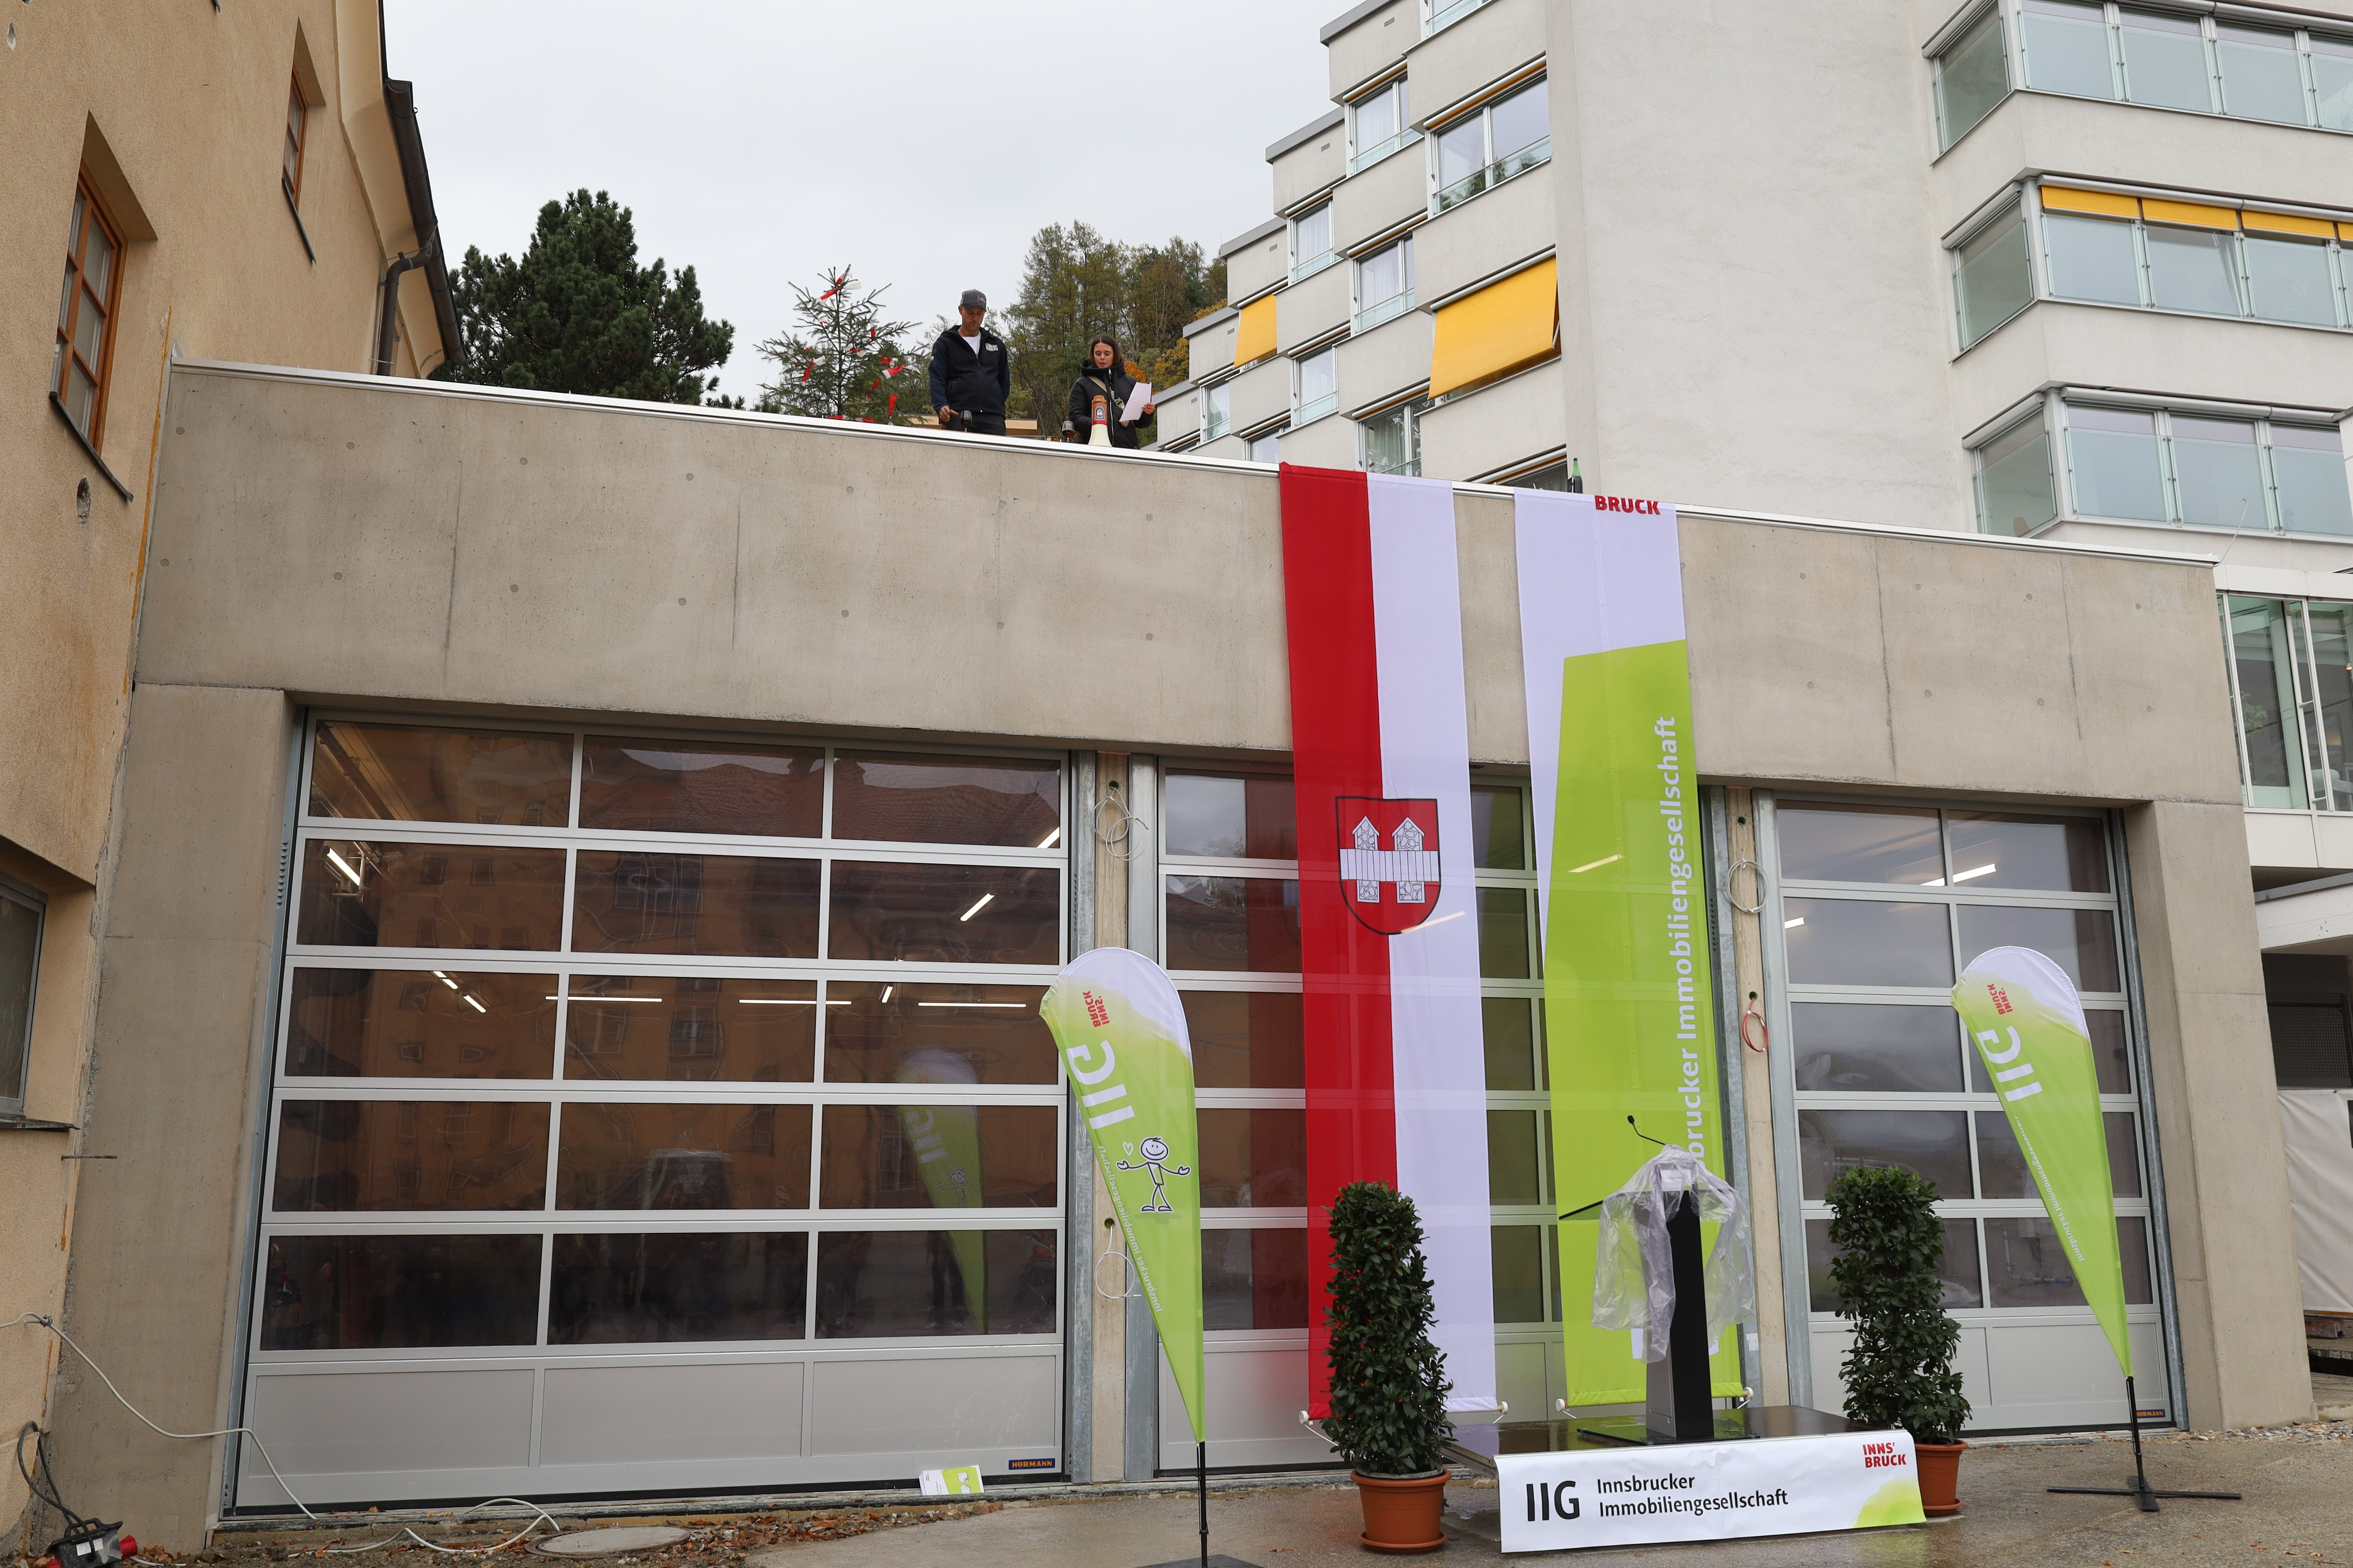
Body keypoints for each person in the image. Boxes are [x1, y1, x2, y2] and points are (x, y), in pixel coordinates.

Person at [929, 290, 1010, 435]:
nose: (975, 318)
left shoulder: (996, 345)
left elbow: (1004, 382)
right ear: (961, 310)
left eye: (980, 314)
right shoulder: (946, 343)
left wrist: (995, 402)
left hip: (993, 418)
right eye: (971, 313)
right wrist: (941, 405)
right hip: (958, 415)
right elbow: (936, 378)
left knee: (995, 458)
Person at [1064, 336, 1154, 449]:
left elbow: (1141, 423)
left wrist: (1148, 413)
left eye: (1107, 354)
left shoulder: (1130, 382)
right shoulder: (1082, 385)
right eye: (1098, 354)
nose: (1102, 358)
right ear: (1093, 355)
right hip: (1093, 450)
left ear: (1115, 355)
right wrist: (1099, 424)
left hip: (1127, 451)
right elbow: (1076, 419)